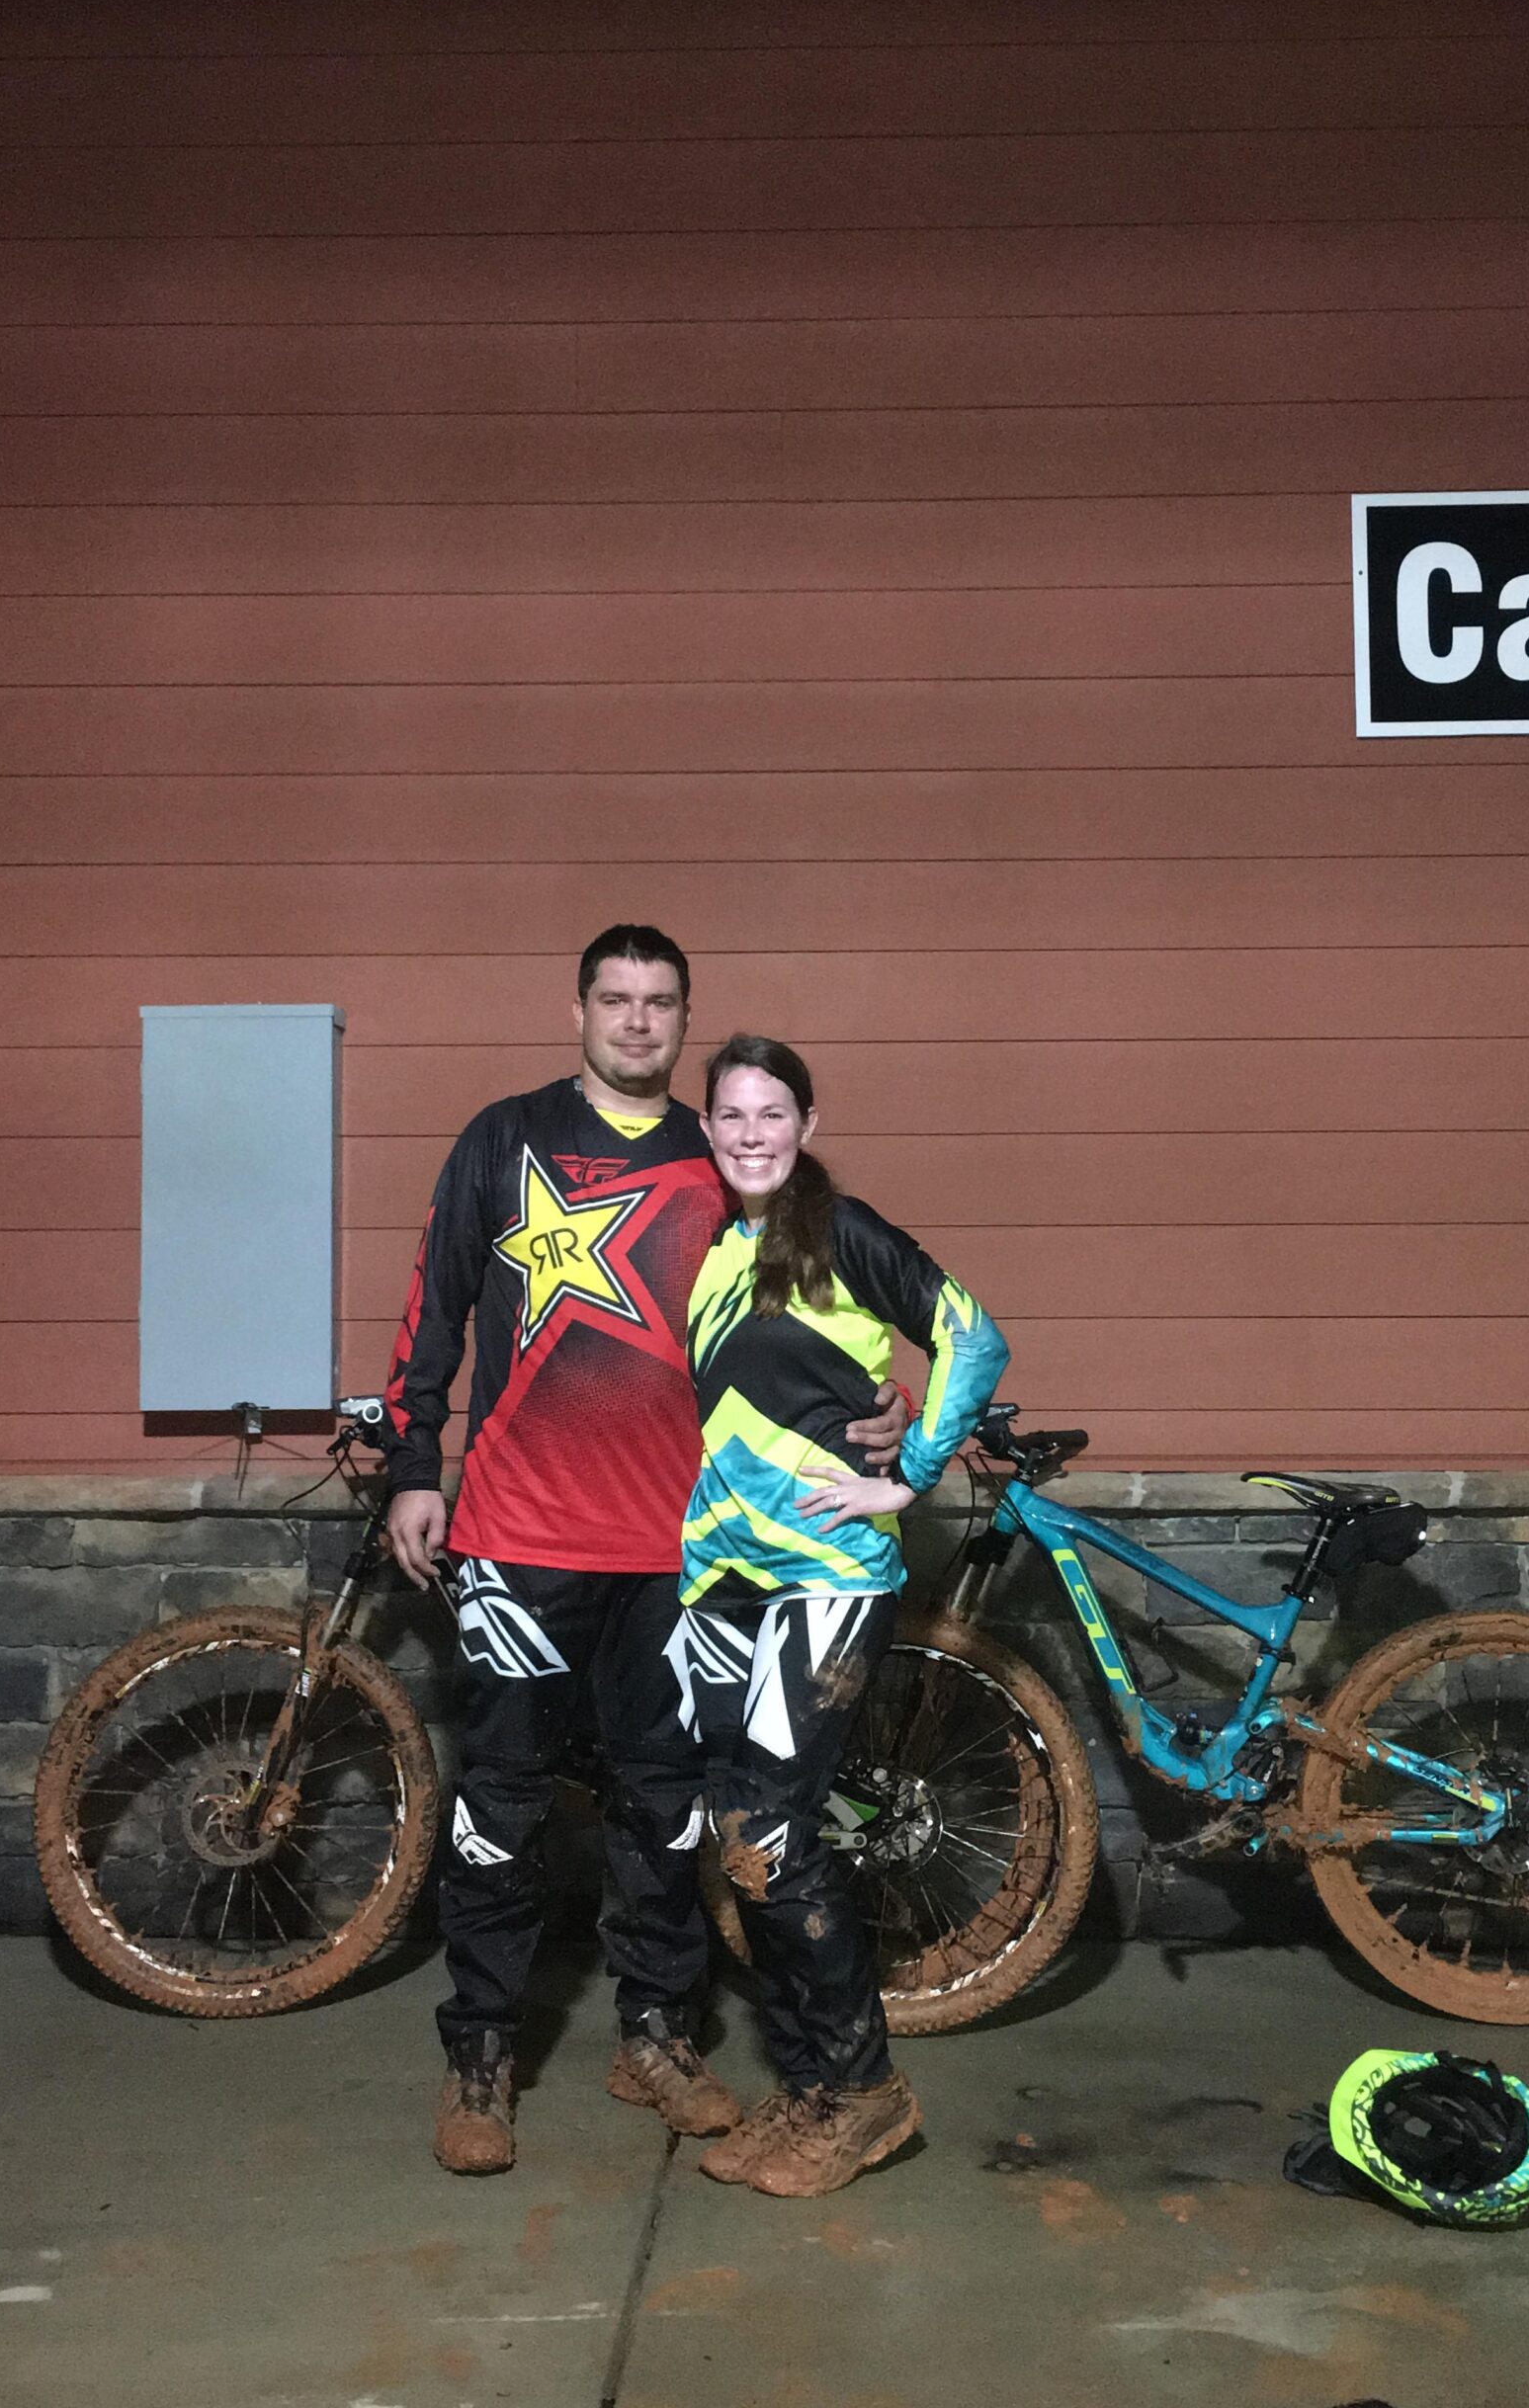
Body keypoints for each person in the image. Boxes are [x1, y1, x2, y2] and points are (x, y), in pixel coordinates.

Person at [381, 928, 907, 2174]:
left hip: (684, 1547)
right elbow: (432, 1303)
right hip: (516, 1531)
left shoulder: (725, 1157)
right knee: (500, 1803)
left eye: (658, 1002)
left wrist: (877, 1411)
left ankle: (657, 2033)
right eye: (613, 999)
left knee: (667, 1806)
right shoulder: (501, 1139)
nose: (634, 1020)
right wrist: (412, 1467)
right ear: (576, 1009)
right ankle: (481, 2055)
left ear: (685, 1017)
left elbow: (819, 1313)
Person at [671, 1035, 1010, 2200]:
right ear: (710, 1129)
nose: (752, 1132)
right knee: (742, 1840)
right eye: (731, 1115)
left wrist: (910, 1466)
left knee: (770, 1828)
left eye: (772, 1113)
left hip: (827, 1571)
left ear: (806, 1124)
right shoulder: (718, 1252)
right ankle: (813, 2082)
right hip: (723, 1578)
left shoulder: (845, 1230)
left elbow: (974, 1331)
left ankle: (866, 2094)